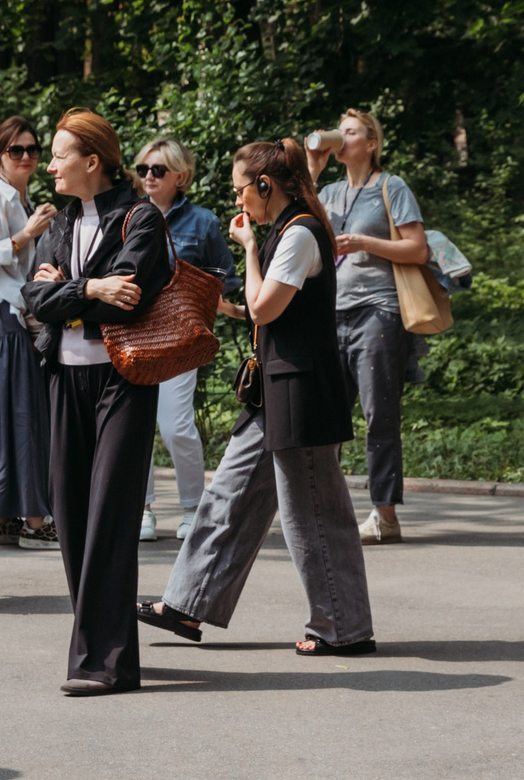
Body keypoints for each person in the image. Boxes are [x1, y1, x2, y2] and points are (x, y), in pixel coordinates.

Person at [136, 139, 375, 657]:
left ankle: (344, 627)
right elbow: (269, 309)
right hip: (275, 390)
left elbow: (266, 308)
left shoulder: (300, 234)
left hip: (303, 394)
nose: (239, 200)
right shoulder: (285, 233)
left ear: (266, 185)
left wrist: (246, 251)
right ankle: (187, 603)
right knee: (229, 494)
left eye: (242, 189)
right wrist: (228, 307)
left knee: (312, 513)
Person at [19, 110, 172, 695]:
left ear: (93, 161)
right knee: (73, 514)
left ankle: (102, 664)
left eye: (58, 155)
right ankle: (109, 643)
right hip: (64, 379)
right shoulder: (57, 226)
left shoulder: (141, 219)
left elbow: (129, 298)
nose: (49, 165)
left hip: (122, 381)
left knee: (110, 516)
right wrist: (89, 290)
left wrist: (72, 295)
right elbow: (33, 296)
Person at [314, 108, 431, 544]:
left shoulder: (391, 186)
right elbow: (295, 227)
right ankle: (328, 509)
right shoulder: (327, 192)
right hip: (333, 314)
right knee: (327, 417)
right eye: (337, 132)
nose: (340, 139)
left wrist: (364, 242)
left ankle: (384, 516)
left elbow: (417, 249)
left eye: (350, 133)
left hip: (379, 311)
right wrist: (312, 167)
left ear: (371, 143)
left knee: (379, 414)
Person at [0, 115, 60, 549]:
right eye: (15, 150)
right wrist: (27, 234)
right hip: (0, 316)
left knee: (7, 416)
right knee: (18, 415)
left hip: (15, 314)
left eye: (33, 150)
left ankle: (2, 518)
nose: (26, 157)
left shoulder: (24, 199)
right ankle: (33, 521)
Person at [132, 136, 235, 542]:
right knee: (135, 426)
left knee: (175, 426)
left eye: (158, 170)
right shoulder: (127, 217)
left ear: (181, 175)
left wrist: (207, 305)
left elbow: (225, 273)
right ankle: (141, 509)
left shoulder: (202, 222)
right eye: (143, 170)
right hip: (135, 334)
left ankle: (194, 507)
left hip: (179, 336)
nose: (149, 177)